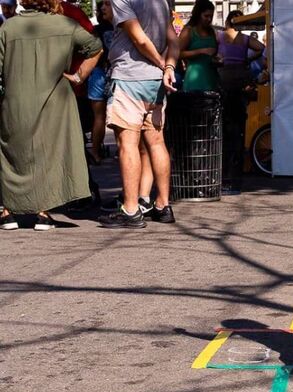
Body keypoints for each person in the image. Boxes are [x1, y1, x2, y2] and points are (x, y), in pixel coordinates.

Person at [0, 0, 102, 231]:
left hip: (15, 100)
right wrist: (79, 76)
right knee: (49, 152)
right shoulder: (66, 24)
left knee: (12, 153)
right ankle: (43, 213)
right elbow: (96, 46)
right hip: (55, 100)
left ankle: (8, 212)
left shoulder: (8, 27)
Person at [98, 0, 179, 228]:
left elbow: (139, 39)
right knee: (156, 142)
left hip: (129, 77)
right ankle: (163, 205)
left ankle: (131, 209)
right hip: (155, 83)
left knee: (128, 144)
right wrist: (169, 68)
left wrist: (163, 64)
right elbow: (173, 40)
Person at [217, 10, 265, 194]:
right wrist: (246, 59)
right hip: (241, 81)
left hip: (223, 81)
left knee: (223, 130)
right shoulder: (244, 39)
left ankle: (223, 177)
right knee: (238, 131)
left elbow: (214, 56)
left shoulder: (220, 37)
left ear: (228, 21)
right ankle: (235, 179)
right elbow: (261, 47)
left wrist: (221, 61)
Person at [88, 0, 114, 165]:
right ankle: (124, 150)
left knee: (99, 117)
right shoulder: (122, 27)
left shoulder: (96, 30)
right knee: (119, 118)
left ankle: (95, 152)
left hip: (98, 72)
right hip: (115, 73)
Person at [179, 0, 219, 92]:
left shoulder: (212, 31)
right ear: (198, 15)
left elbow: (213, 53)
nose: (209, 19)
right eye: (206, 16)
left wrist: (217, 58)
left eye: (211, 16)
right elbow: (177, 54)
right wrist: (200, 51)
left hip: (212, 79)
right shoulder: (188, 31)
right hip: (194, 81)